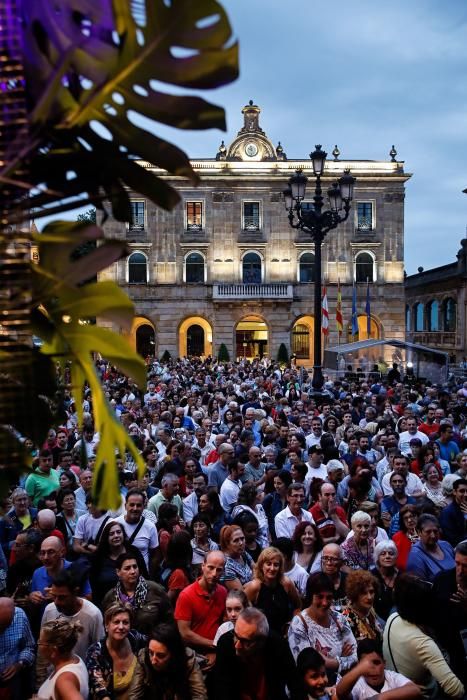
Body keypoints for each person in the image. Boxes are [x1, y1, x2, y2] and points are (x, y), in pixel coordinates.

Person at [383, 573, 465, 698]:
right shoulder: (423, 644)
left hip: (397, 688)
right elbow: (456, 690)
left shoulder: (392, 618)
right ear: (423, 606)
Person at [214, 608, 303, 700]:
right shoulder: (226, 644)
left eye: (245, 641)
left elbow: (295, 683)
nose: (237, 646)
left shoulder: (277, 644)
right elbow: (221, 689)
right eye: (235, 636)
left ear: (261, 642)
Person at [37, 568, 104, 685]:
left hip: (80, 679)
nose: (56, 602)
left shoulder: (93, 615)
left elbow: (99, 652)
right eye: (54, 596)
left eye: (62, 597)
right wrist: (39, 682)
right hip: (51, 678)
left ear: (75, 592)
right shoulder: (50, 610)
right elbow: (42, 649)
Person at [288, 572, 357, 684]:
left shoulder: (339, 619)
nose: (325, 603)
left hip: (345, 682)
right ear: (310, 596)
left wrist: (330, 662)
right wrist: (342, 660)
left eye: (329, 597)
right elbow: (308, 666)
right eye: (320, 597)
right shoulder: (299, 624)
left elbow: (356, 655)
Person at [174, 551, 227, 672]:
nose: (214, 574)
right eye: (210, 568)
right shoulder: (186, 595)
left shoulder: (223, 592)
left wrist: (217, 651)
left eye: (219, 570)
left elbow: (226, 622)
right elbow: (185, 633)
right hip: (193, 655)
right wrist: (215, 645)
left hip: (217, 652)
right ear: (203, 566)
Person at [128, 622, 207, 699]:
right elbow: (134, 695)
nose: (153, 661)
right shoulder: (143, 656)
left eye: (161, 655)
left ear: (174, 654)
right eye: (151, 653)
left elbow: (199, 695)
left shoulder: (188, 659)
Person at [85, 602, 146, 700]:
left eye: (125, 622)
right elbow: (99, 690)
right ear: (106, 625)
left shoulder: (135, 638)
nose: (121, 627)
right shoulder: (95, 653)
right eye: (116, 622)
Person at [101, 553, 173, 636]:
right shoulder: (111, 597)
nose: (133, 571)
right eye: (127, 568)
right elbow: (105, 624)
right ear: (118, 572)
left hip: (151, 643)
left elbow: (169, 619)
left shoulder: (155, 590)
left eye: (135, 567)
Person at [335, 638, 421, 699]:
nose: (371, 669)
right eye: (366, 665)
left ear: (384, 663)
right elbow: (341, 693)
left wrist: (382, 697)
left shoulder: (391, 677)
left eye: (376, 663)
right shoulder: (358, 684)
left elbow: (415, 690)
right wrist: (359, 670)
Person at [432, 540, 467, 686]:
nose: (460, 570)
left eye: (465, 566)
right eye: (457, 563)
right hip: (446, 647)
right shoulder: (442, 579)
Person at [244, 547, 301, 634]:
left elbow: (298, 606)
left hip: (284, 635)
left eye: (276, 565)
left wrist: (293, 624)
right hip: (262, 635)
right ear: (261, 565)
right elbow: (242, 611)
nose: (272, 568)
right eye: (268, 564)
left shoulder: (286, 583)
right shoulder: (254, 586)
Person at [90, 521, 145, 608]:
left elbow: (144, 575)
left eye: (119, 532)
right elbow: (94, 585)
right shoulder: (98, 557)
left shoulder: (134, 552)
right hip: (107, 604)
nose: (116, 536)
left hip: (137, 602)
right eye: (111, 534)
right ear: (106, 538)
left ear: (123, 534)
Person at [36, 617, 89, 699]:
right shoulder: (75, 659)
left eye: (40, 642)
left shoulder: (64, 680)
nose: (38, 645)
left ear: (53, 650)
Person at [114, 489, 159, 571]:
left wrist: (149, 573)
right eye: (131, 505)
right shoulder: (114, 524)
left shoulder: (150, 527)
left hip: (142, 575)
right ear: (125, 506)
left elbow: (155, 554)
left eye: (138, 505)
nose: (135, 508)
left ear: (143, 507)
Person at [0, 597, 35, 698]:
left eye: (6, 626)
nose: (2, 631)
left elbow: (29, 647)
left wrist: (19, 664)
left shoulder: (19, 616)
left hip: (12, 683)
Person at [406, 514, 456, 582]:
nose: (433, 535)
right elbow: (420, 587)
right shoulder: (415, 555)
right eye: (428, 532)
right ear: (419, 532)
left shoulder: (446, 545)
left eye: (435, 531)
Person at [342, 570, 382, 643]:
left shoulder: (370, 610)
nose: (369, 597)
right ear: (354, 594)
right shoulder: (345, 619)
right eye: (363, 593)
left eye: (371, 592)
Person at [0, 487, 37, 558]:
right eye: (19, 500)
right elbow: (1, 545)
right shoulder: (5, 521)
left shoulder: (36, 513)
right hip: (15, 558)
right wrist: (12, 544)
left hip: (34, 557)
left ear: (28, 500)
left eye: (25, 499)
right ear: (13, 502)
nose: (22, 502)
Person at [370, 540, 399, 621]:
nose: (387, 556)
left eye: (391, 553)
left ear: (396, 557)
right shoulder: (371, 577)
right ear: (377, 558)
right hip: (377, 619)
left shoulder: (402, 577)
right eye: (383, 554)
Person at [219, 525, 253, 590]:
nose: (241, 543)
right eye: (236, 540)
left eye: (242, 538)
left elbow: (256, 568)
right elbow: (240, 594)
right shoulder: (226, 566)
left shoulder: (243, 553)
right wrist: (253, 584)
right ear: (227, 544)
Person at [262, 469, 292, 538]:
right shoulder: (269, 498)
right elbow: (263, 519)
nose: (276, 486)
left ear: (287, 483)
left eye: (279, 483)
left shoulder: (293, 499)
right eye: (274, 483)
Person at [439, 477, 467, 545]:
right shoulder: (447, 513)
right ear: (454, 492)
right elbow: (452, 540)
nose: (466, 494)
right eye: (462, 491)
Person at [320, 543, 348, 610]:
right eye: (325, 558)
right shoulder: (315, 581)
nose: (329, 563)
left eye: (334, 559)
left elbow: (356, 607)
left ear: (342, 562)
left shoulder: (350, 581)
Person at [391, 504, 419, 570]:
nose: (409, 520)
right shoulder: (396, 537)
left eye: (412, 516)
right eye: (405, 518)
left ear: (418, 516)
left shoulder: (425, 534)